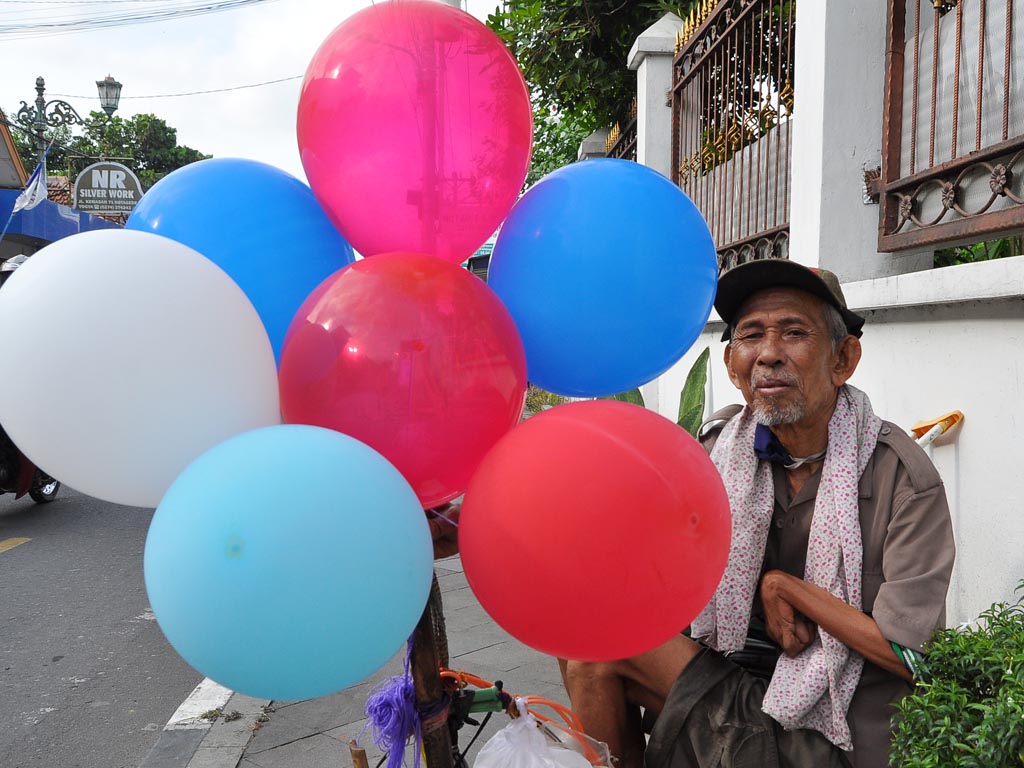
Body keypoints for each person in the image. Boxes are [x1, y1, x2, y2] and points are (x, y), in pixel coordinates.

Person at [559, 259, 955, 768]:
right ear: (731, 365)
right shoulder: (718, 454)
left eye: (794, 332)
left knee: (599, 649)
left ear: (843, 359)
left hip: (836, 731)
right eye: (752, 335)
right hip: (740, 688)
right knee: (587, 639)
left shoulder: (901, 477)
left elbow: (913, 656)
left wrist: (787, 589)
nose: (769, 354)